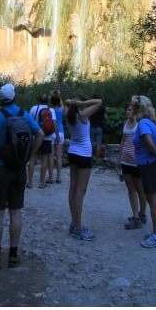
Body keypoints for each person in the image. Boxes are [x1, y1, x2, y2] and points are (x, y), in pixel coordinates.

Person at [0, 82, 44, 270]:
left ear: (0, 99)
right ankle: (13, 255)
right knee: (16, 211)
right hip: (19, 168)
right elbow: (40, 134)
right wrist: (30, 156)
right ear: (14, 97)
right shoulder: (24, 114)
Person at [64, 96, 102, 240]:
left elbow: (65, 103)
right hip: (84, 154)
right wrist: (83, 103)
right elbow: (99, 102)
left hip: (72, 153)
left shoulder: (68, 115)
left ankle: (74, 223)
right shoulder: (83, 115)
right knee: (80, 191)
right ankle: (78, 227)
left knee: (72, 189)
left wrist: (71, 102)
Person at [132, 95, 156, 248]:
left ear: (140, 108)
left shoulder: (143, 123)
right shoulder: (151, 122)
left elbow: (149, 143)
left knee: (153, 201)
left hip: (147, 164)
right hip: (151, 164)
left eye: (134, 107)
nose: (132, 109)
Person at [118, 101, 147, 229]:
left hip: (137, 162)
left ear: (135, 112)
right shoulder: (125, 125)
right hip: (126, 161)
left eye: (130, 110)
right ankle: (135, 216)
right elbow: (123, 142)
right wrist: (119, 158)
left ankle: (142, 214)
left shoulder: (140, 125)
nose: (127, 112)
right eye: (127, 110)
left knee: (141, 190)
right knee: (131, 189)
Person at [27, 94, 55, 189]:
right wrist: (57, 136)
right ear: (48, 101)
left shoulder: (33, 108)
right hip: (47, 138)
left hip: (35, 137)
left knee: (32, 158)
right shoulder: (51, 110)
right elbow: (54, 124)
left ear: (38, 100)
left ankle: (30, 182)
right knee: (44, 160)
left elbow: (29, 122)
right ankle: (41, 183)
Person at [49, 90, 65, 184]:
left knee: (50, 156)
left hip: (51, 133)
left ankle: (51, 177)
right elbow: (61, 103)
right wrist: (59, 95)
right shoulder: (61, 109)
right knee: (59, 156)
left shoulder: (50, 110)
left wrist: (52, 95)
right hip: (61, 132)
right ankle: (59, 177)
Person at [89, 95, 107, 160]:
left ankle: (90, 157)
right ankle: (97, 158)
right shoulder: (102, 108)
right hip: (99, 127)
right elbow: (106, 118)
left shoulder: (91, 108)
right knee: (99, 144)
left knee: (90, 143)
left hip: (91, 127)